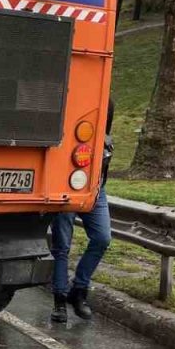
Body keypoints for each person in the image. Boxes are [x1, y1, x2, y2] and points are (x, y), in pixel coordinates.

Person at [49, 105, 114, 323]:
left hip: (95, 188)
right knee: (62, 247)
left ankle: (79, 290)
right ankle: (59, 300)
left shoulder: (107, 107)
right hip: (64, 186)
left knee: (102, 238)